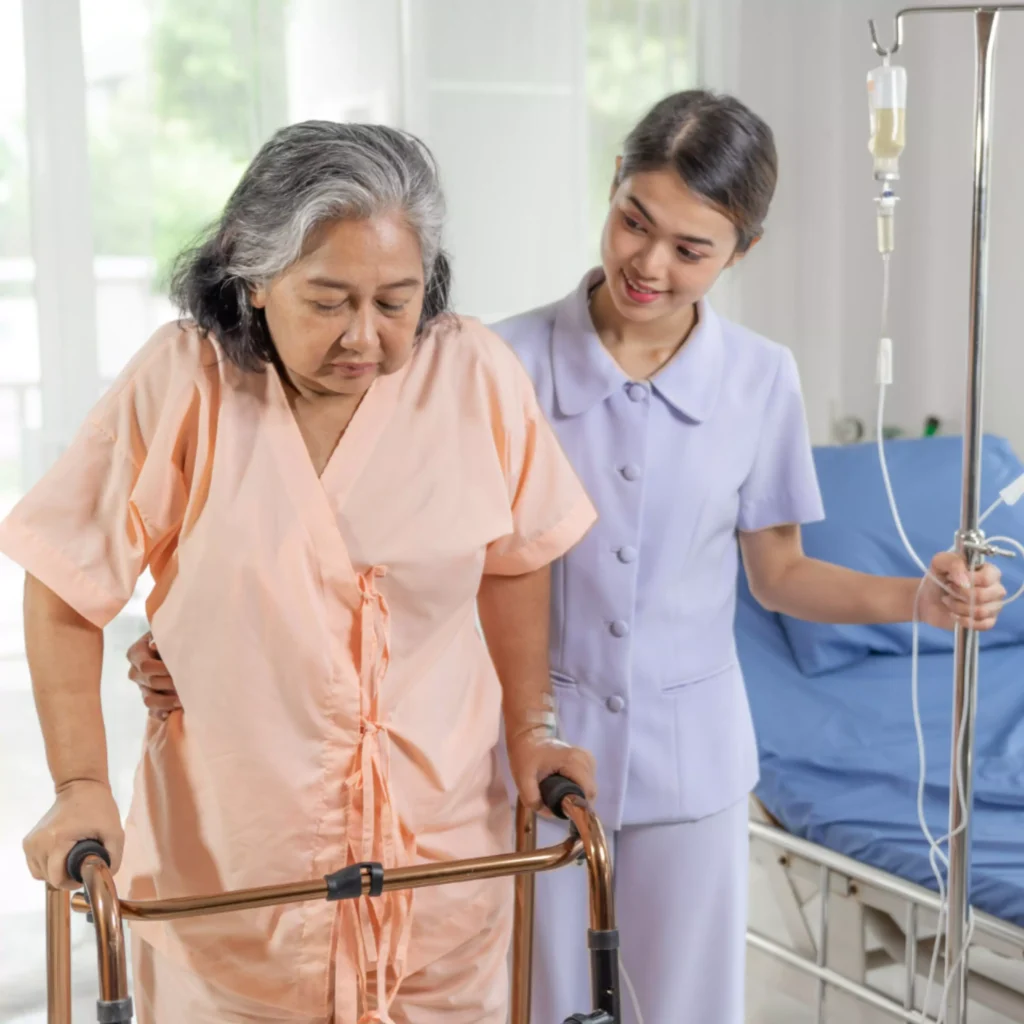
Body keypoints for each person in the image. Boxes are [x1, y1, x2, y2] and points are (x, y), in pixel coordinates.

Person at [125, 98, 1006, 1024]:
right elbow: (354, 543)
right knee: (532, 1003)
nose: (650, 265)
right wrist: (196, 641)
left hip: (691, 760)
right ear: (614, 181)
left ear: (741, 252)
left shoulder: (761, 379)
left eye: (692, 248)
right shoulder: (492, 357)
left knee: (685, 1008)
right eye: (635, 221)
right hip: (510, 758)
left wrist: (920, 599)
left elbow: (779, 575)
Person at [2, 122, 598, 1024]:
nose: (367, 336)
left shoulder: (469, 374)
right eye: (329, 301)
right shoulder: (185, 385)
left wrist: (533, 729)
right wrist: (81, 783)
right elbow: (64, 584)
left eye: (396, 300)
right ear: (252, 277)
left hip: (443, 871)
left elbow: (515, 561)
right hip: (236, 883)